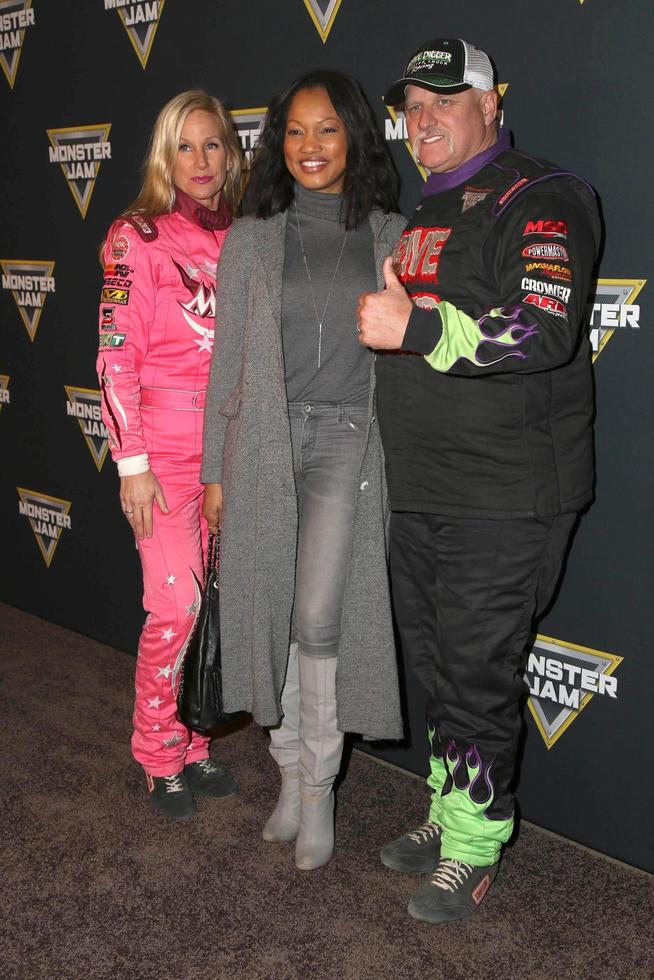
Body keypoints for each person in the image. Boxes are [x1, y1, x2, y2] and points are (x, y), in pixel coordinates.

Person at [357, 38, 600, 923]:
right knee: (438, 666)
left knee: (474, 669)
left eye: (445, 102)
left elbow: (543, 327)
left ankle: (473, 846)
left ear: (494, 104)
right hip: (422, 486)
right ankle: (452, 807)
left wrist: (417, 328)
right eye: (412, 108)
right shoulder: (428, 208)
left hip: (507, 496)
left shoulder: (546, 195)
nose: (422, 122)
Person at [201, 70, 405, 870]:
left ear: (354, 136)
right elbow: (227, 367)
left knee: (319, 616)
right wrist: (218, 471)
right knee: (275, 613)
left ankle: (319, 788)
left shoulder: (392, 235)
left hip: (349, 438)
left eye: (327, 130)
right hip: (264, 443)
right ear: (275, 142)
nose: (310, 147)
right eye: (294, 131)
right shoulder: (251, 240)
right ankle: (288, 775)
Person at [96, 90, 244, 821]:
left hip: (229, 459)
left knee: (213, 609)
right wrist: (133, 464)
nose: (200, 161)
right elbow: (114, 357)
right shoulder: (136, 236)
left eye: (213, 144)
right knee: (176, 607)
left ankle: (192, 743)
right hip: (160, 458)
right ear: (164, 155)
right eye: (185, 147)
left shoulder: (244, 238)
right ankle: (156, 750)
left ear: (231, 151)